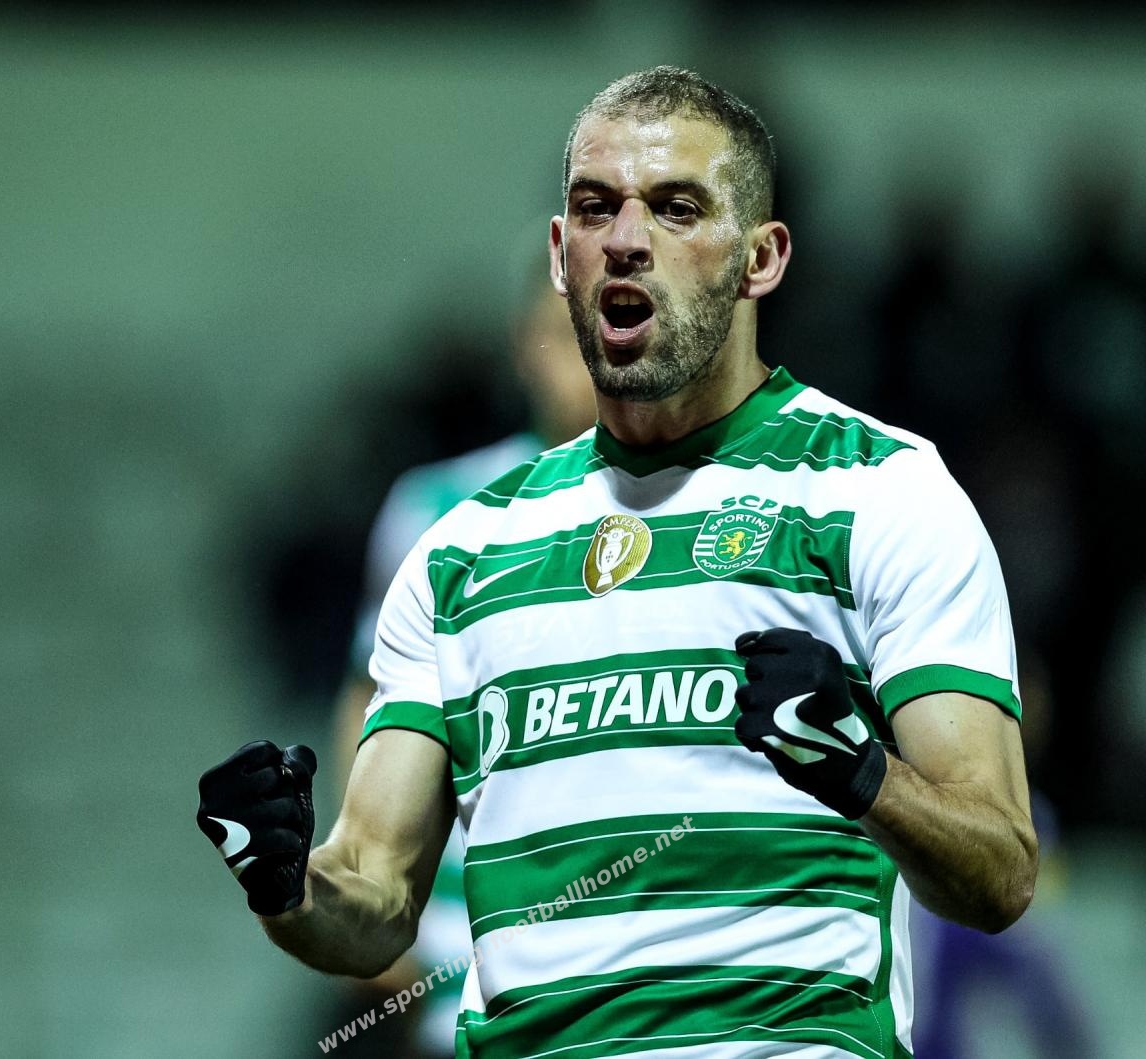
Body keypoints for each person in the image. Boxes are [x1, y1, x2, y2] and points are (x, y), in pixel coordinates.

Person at [197, 67, 1038, 1058]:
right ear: (562, 257)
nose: (627, 239)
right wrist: (287, 885)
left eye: (676, 208)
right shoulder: (461, 548)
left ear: (762, 257)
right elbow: (373, 905)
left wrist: (863, 773)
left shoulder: (881, 494)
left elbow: (999, 871)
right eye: (596, 209)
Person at [327, 273, 593, 1057]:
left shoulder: (701, 505)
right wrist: (367, 879)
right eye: (563, 332)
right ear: (525, 345)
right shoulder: (438, 507)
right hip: (464, 945)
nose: (585, 358)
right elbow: (371, 700)